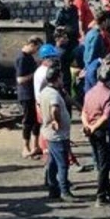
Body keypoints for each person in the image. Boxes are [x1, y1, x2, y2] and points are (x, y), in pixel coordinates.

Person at [40, 66, 78, 202]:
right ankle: (64, 191)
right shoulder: (53, 95)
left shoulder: (46, 91)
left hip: (50, 134)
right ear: (57, 78)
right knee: (63, 164)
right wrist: (56, 120)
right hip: (57, 135)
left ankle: (53, 189)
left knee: (53, 163)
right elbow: (55, 108)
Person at [82, 65, 110, 207]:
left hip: (90, 130)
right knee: (104, 164)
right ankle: (100, 195)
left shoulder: (89, 92)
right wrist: (95, 126)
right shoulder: (109, 94)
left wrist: (88, 126)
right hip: (102, 131)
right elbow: (106, 116)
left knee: (100, 160)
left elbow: (84, 112)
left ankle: (108, 191)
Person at [16, 37, 43, 159]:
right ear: (32, 44)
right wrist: (35, 73)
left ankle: (35, 145)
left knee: (36, 121)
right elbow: (20, 79)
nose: (36, 51)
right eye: (36, 48)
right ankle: (25, 147)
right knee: (27, 121)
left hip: (33, 93)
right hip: (26, 94)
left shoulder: (29, 57)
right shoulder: (21, 58)